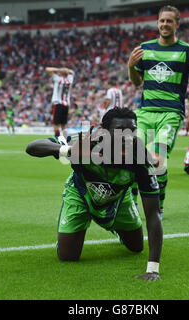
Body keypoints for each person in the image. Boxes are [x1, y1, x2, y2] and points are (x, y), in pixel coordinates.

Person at [26, 108, 163, 281]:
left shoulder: (141, 158)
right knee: (68, 256)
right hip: (81, 195)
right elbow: (32, 147)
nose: (127, 137)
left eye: (132, 131)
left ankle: (114, 225)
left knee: (136, 247)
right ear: (104, 131)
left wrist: (153, 269)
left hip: (118, 199)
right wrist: (69, 151)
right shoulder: (84, 140)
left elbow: (153, 214)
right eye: (120, 131)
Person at [127, 5, 189, 219]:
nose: (165, 24)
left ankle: (158, 204)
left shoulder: (187, 50)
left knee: (157, 161)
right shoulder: (145, 48)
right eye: (162, 21)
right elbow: (137, 82)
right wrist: (130, 66)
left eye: (169, 21)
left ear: (177, 24)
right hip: (144, 114)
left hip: (171, 113)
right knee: (134, 160)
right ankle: (131, 205)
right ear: (157, 23)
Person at [45, 67, 75, 137]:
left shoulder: (58, 79)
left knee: (56, 124)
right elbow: (72, 72)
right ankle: (66, 139)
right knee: (64, 125)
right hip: (66, 104)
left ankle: (57, 139)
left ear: (61, 73)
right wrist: (65, 70)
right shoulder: (70, 79)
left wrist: (58, 69)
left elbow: (47, 69)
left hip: (58, 103)